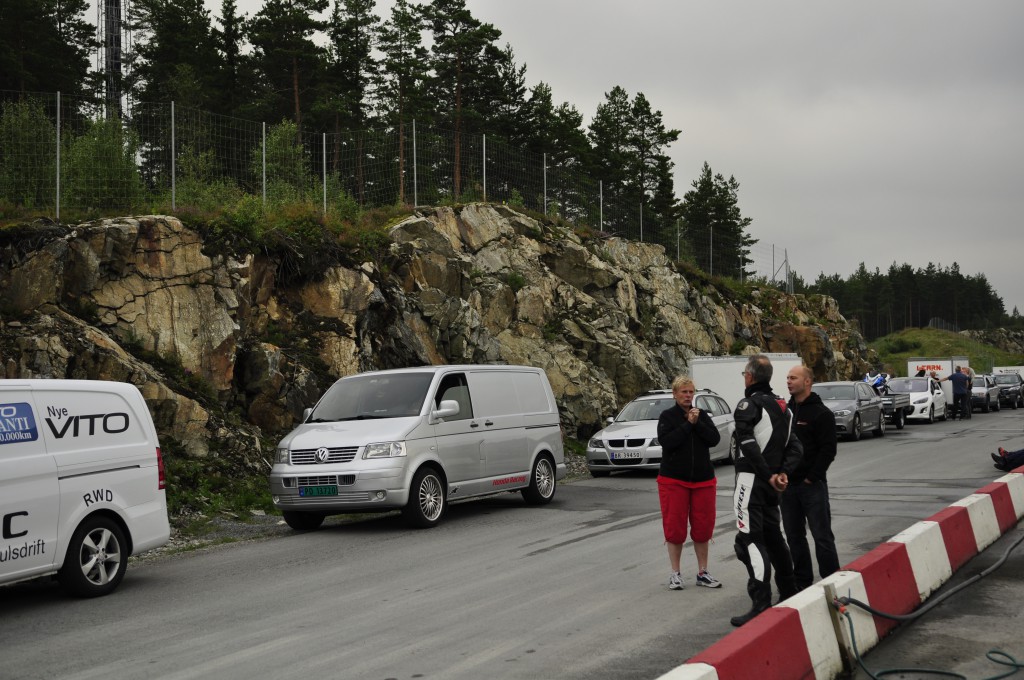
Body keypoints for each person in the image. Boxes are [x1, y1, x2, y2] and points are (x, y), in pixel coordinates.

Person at [730, 354, 803, 627]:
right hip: (771, 486)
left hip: (751, 482)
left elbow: (747, 445)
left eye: (744, 374)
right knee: (773, 538)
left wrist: (771, 474)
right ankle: (789, 592)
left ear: (749, 377)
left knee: (747, 541)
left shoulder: (748, 404)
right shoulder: (784, 407)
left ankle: (761, 602)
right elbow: (796, 447)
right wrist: (783, 473)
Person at [656, 375, 723, 591]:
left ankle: (702, 572)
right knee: (675, 528)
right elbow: (668, 442)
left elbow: (714, 439)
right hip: (674, 480)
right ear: (675, 394)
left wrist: (698, 423)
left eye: (691, 392)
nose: (688, 396)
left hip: (703, 480)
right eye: (684, 392)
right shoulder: (667, 416)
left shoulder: (702, 415)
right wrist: (688, 425)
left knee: (703, 527)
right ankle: (675, 573)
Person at [783, 366, 841, 591]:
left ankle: (832, 581)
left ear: (807, 382)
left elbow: (828, 451)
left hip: (812, 486)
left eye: (793, 378)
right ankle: (802, 582)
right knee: (794, 537)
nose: (788, 381)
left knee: (822, 536)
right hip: (788, 487)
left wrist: (811, 477)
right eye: (787, 378)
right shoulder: (786, 411)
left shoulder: (821, 413)